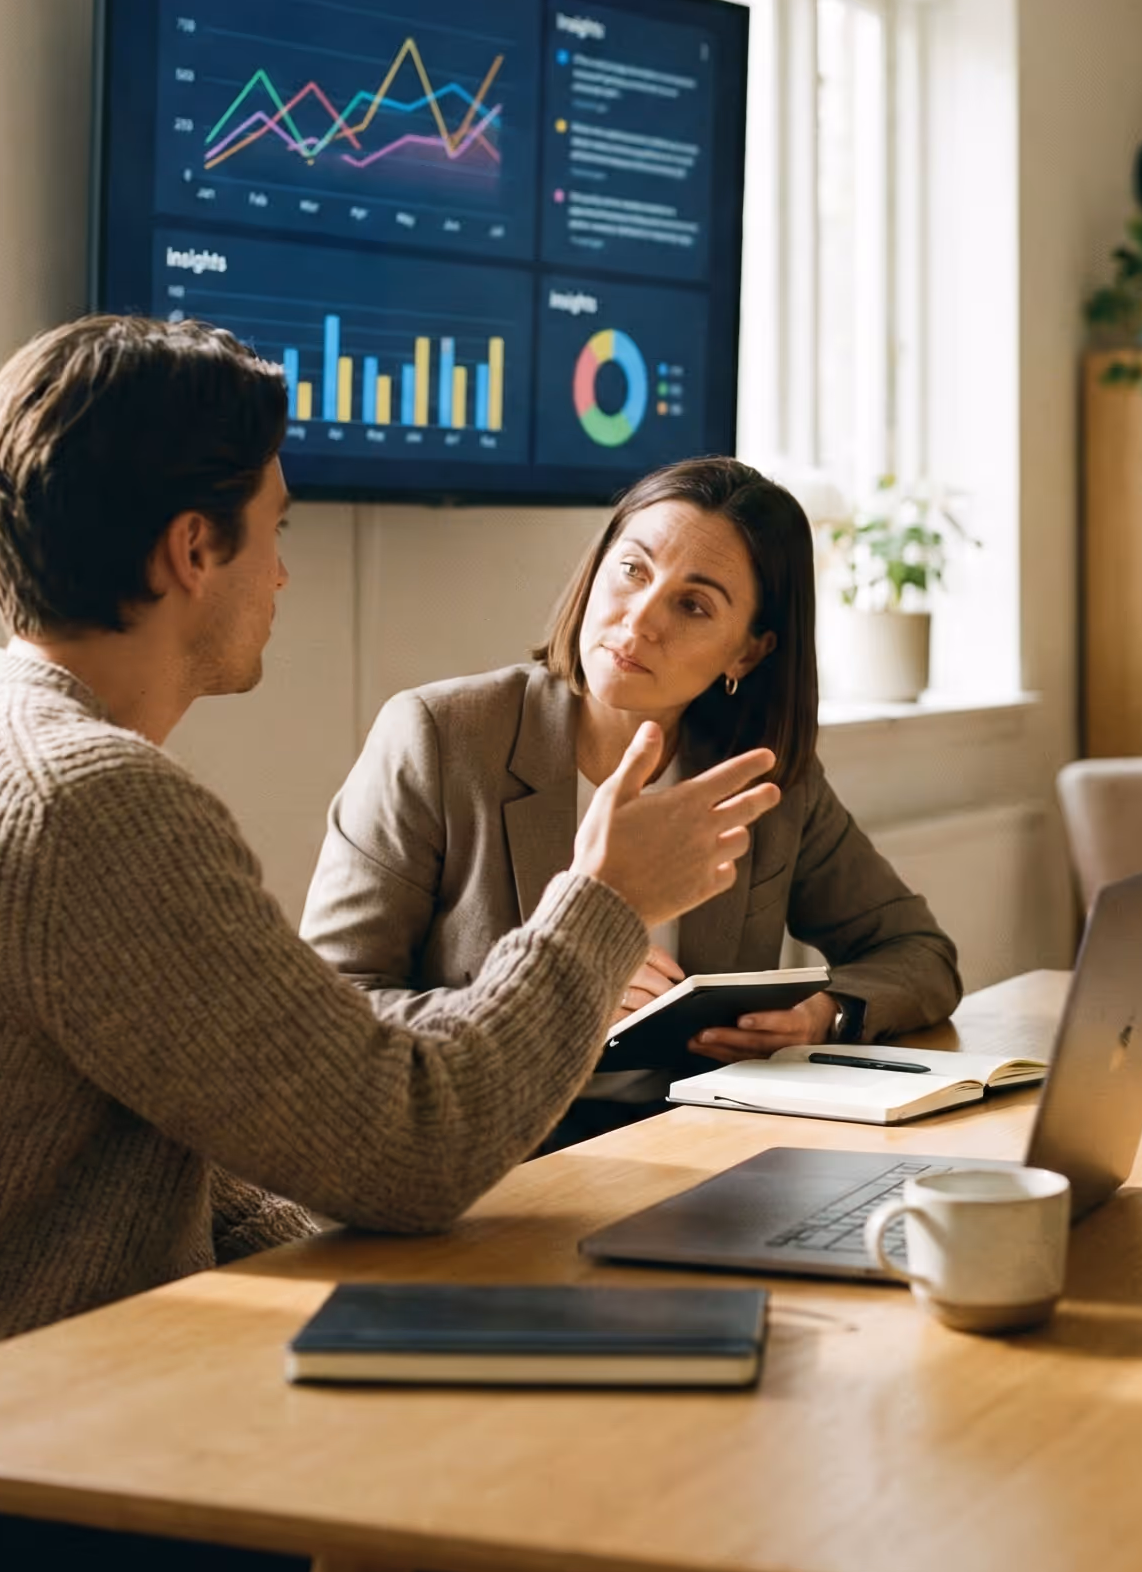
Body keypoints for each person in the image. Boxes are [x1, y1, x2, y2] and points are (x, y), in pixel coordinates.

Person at [0, 317, 779, 1572]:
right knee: (559, 1559)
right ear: (192, 550)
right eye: (273, 526)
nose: (285, 569)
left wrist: (451, 1317)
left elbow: (244, 1140)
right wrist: (609, 899)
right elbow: (412, 1140)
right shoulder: (83, 802)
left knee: (561, 1447)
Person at [301, 454, 962, 1150]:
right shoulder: (442, 738)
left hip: (694, 1149)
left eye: (694, 604)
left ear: (748, 654)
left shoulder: (763, 780)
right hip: (490, 1160)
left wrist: (824, 1015)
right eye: (633, 570)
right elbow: (327, 1014)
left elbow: (919, 954)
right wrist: (557, 990)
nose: (640, 620)